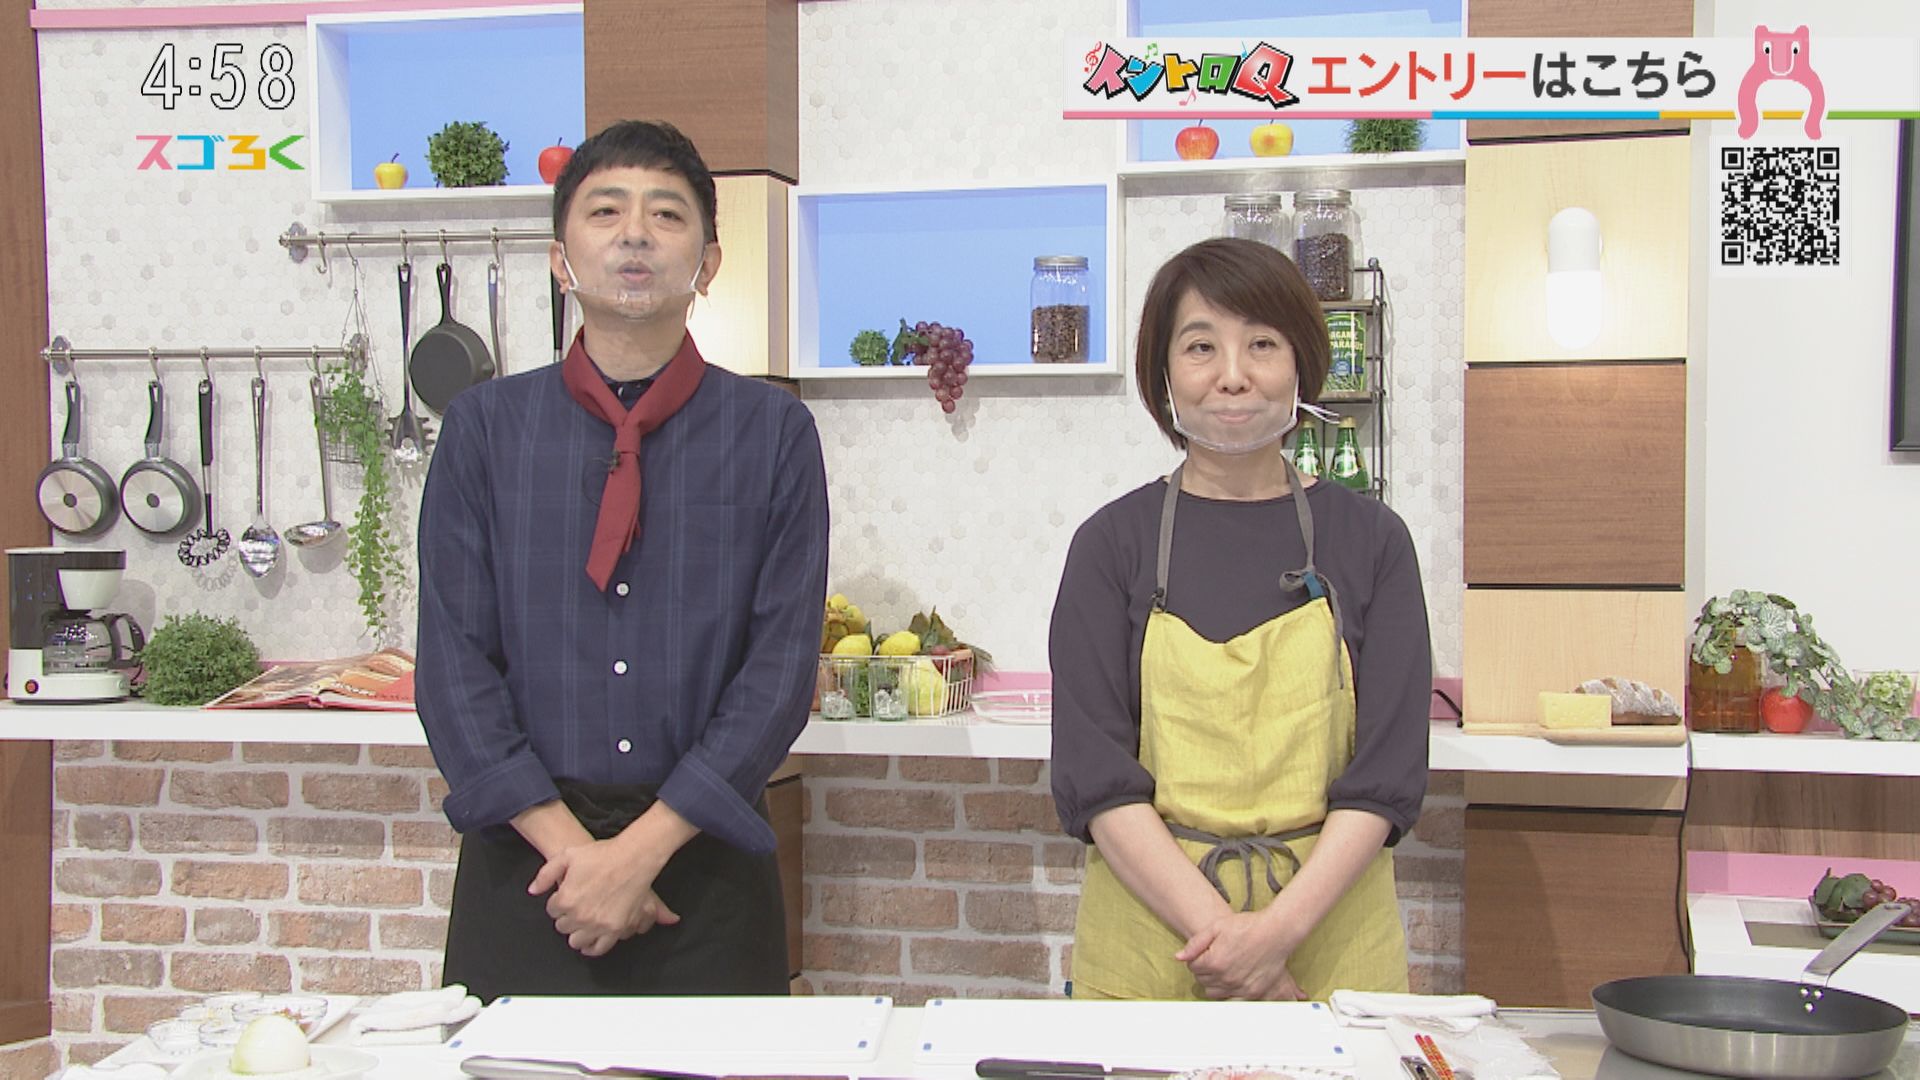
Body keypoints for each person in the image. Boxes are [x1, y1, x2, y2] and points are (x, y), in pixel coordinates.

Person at [415, 119, 829, 1001]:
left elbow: (780, 669)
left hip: (705, 861)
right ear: (560, 260)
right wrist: (579, 859)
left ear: (707, 264)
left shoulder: (773, 434)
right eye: (605, 211)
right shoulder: (484, 431)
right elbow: (453, 667)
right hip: (530, 866)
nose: (635, 233)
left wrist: (640, 853)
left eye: (666, 214)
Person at [1049, 237, 1431, 1002]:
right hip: (1156, 946)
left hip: (1330, 939)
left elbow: (1386, 777)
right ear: (1164, 374)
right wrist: (1233, 948)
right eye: (1200, 347)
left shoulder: (1373, 542)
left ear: (1301, 366)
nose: (1232, 375)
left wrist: (1276, 938)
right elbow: (1097, 779)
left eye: (1262, 344)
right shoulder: (1111, 545)